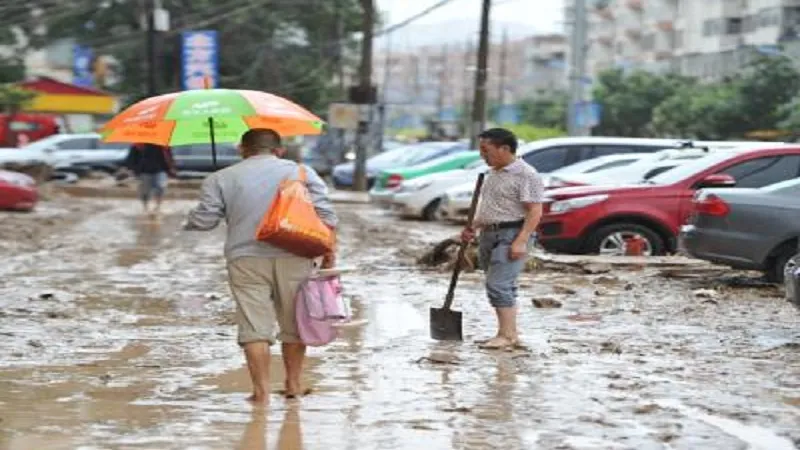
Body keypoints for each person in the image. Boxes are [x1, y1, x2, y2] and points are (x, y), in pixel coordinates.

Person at [183, 128, 337, 404]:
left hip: (245, 260)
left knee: (254, 326)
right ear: (279, 150)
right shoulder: (301, 173)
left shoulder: (221, 178)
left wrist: (192, 217)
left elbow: (204, 221)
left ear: (243, 149)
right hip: (296, 255)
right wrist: (328, 252)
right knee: (295, 322)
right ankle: (293, 384)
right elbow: (327, 215)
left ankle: (261, 393)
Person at [461, 128, 545, 350]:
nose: (482, 155)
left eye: (485, 150)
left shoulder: (527, 175)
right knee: (503, 285)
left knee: (498, 285)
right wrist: (473, 226)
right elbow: (492, 208)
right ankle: (509, 333)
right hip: (489, 233)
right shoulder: (494, 173)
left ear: (504, 148)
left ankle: (506, 336)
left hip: (512, 234)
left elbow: (535, 211)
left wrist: (521, 240)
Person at [124, 142, 176, 217]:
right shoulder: (138, 145)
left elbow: (169, 156)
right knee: (145, 191)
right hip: (144, 171)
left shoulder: (163, 144)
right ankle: (145, 207)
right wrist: (133, 169)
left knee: (161, 187)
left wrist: (171, 168)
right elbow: (131, 159)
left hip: (160, 170)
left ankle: (157, 207)